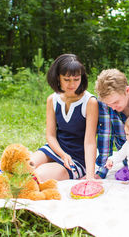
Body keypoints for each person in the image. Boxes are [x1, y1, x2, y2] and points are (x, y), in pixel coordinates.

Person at [30, 54, 98, 182]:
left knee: (38, 176)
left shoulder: (90, 102)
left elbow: (90, 142)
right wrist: (62, 154)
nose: (72, 84)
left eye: (76, 79)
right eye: (67, 79)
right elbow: (50, 136)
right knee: (24, 166)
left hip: (77, 157)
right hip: (56, 149)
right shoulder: (52, 99)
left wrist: (90, 176)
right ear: (58, 78)